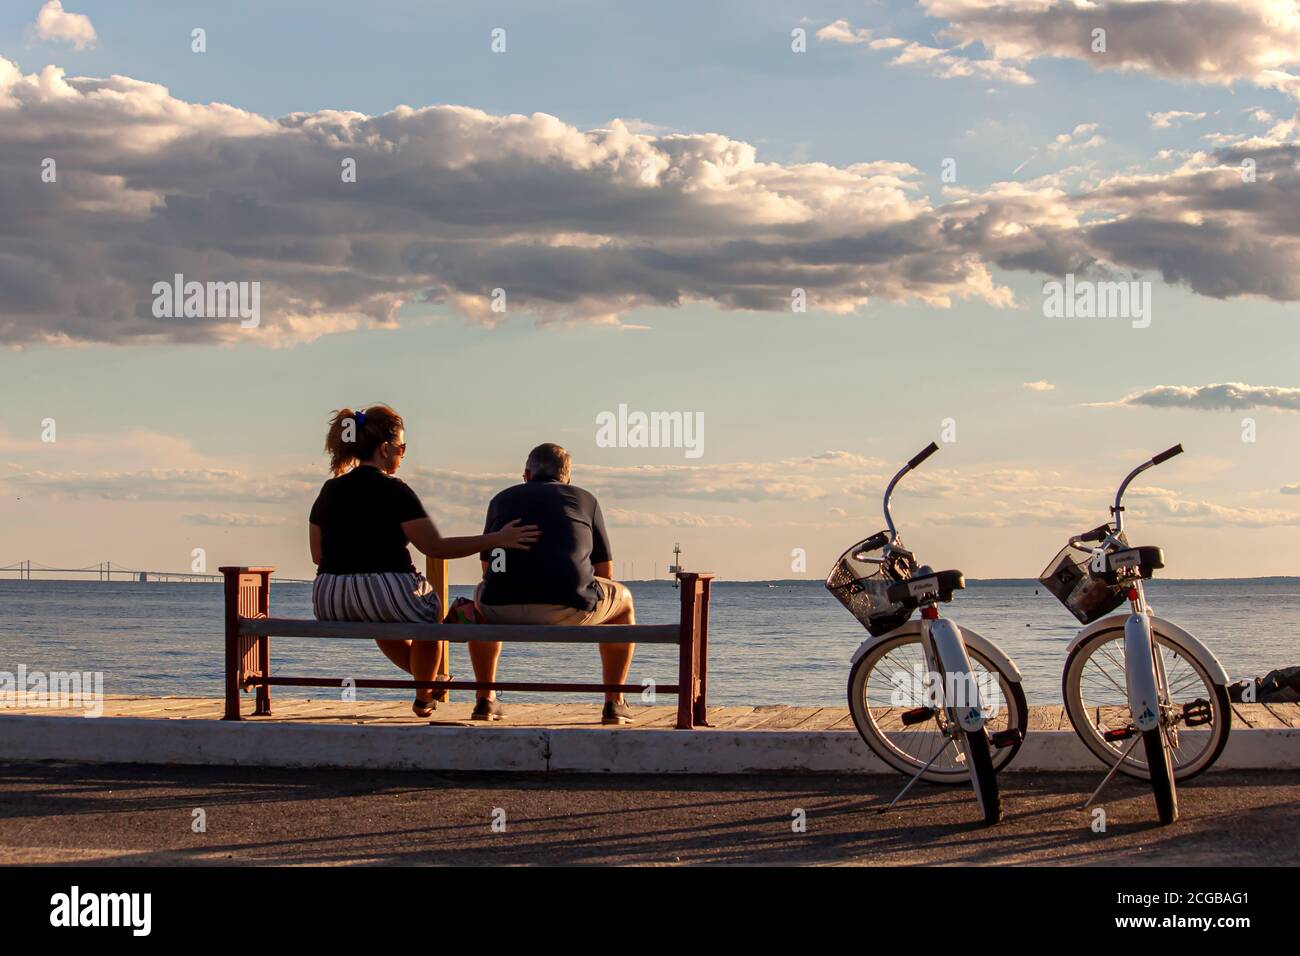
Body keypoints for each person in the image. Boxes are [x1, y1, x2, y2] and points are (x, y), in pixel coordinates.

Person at [308, 405, 539, 717]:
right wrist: (498, 539)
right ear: (385, 448)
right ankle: (423, 697)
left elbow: (317, 555)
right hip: (384, 588)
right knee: (429, 614)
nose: (403, 455)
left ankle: (430, 684)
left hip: (329, 597)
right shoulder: (395, 490)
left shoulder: (330, 488)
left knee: (381, 619)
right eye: (402, 447)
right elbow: (436, 547)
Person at [472, 443, 637, 724]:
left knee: (479, 596)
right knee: (624, 602)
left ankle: (486, 700)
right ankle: (614, 702)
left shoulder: (501, 500)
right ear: (567, 477)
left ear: (526, 473)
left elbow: (489, 565)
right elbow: (605, 571)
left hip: (500, 608)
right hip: (571, 608)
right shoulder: (586, 500)